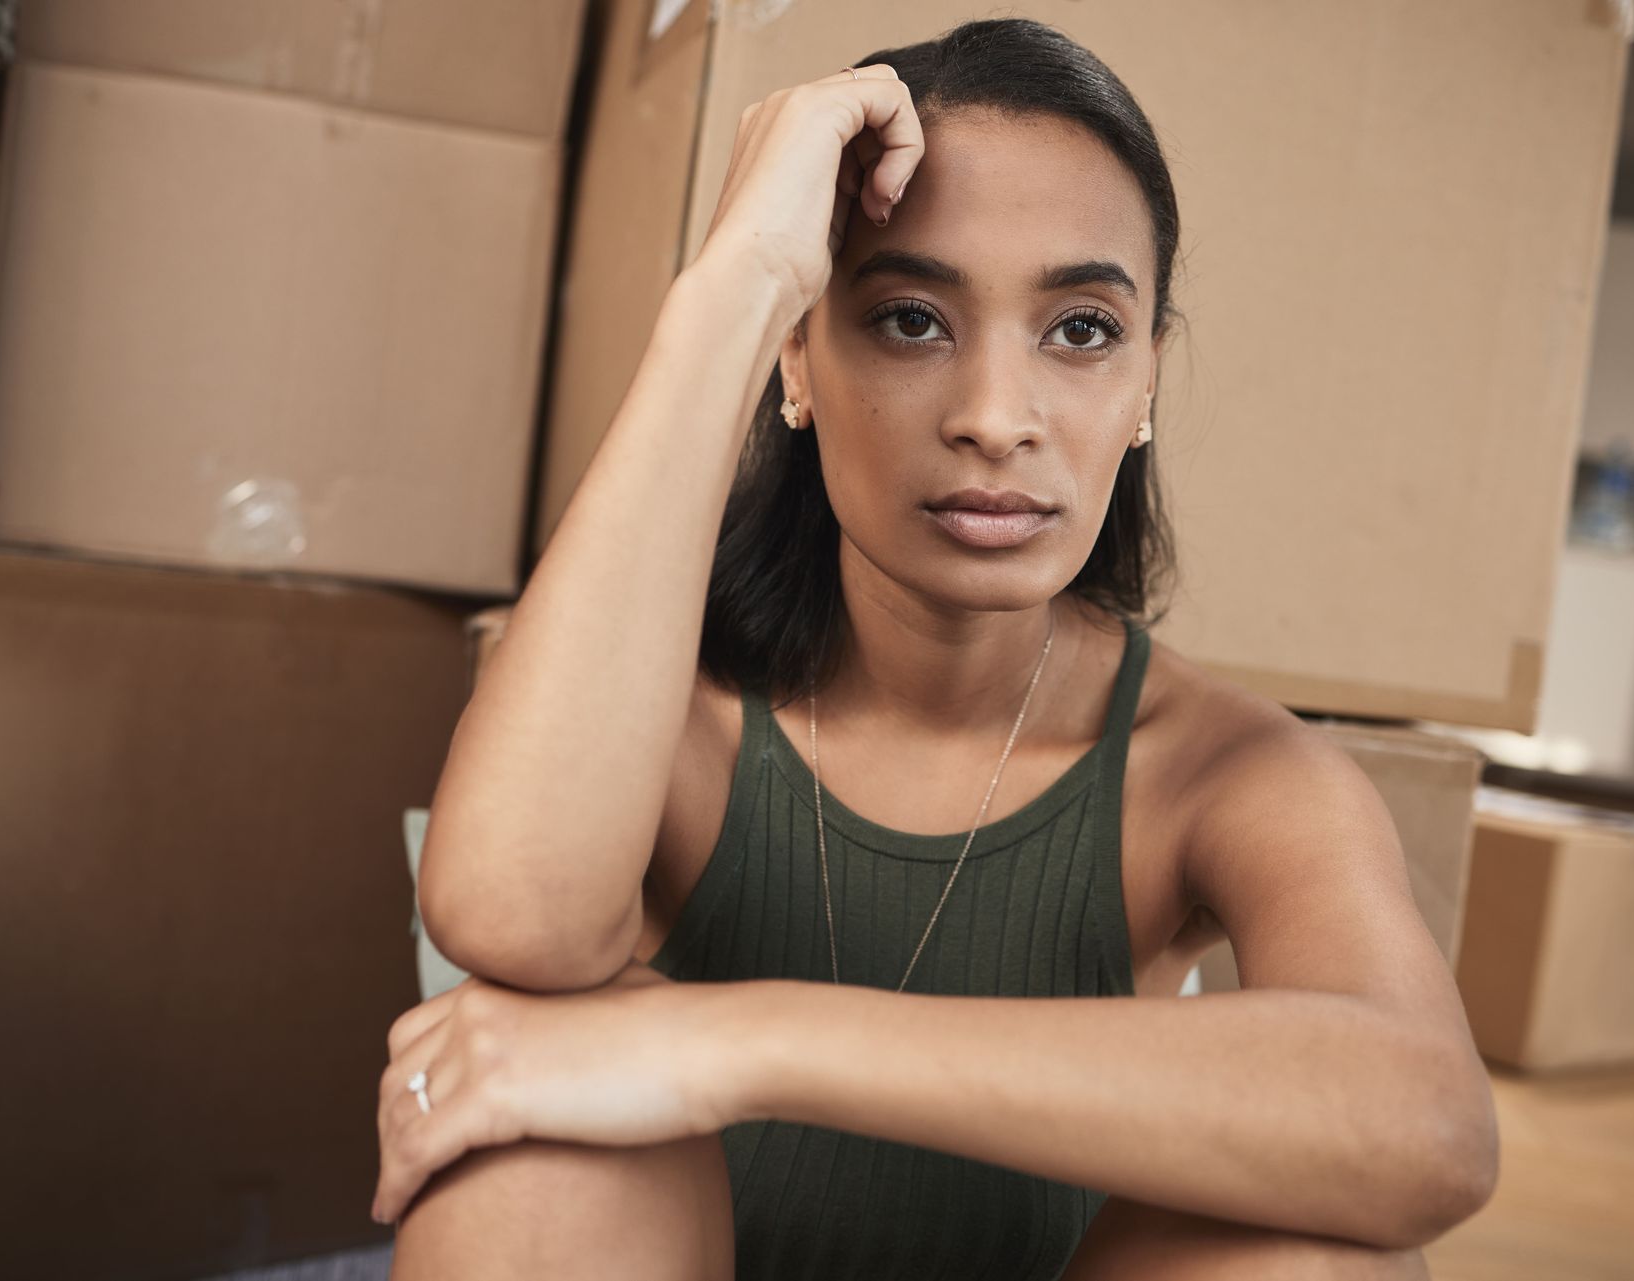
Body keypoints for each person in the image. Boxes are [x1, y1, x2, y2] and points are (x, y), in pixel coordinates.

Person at [370, 17, 1497, 1279]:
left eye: (1081, 330)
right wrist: (735, 287)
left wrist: (726, 1044)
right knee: (527, 1173)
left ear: (1145, 389)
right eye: (910, 318)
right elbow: (504, 913)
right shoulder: (669, 710)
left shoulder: (1221, 773)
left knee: (1317, 1252)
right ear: (800, 355)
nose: (996, 420)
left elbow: (1431, 1126)